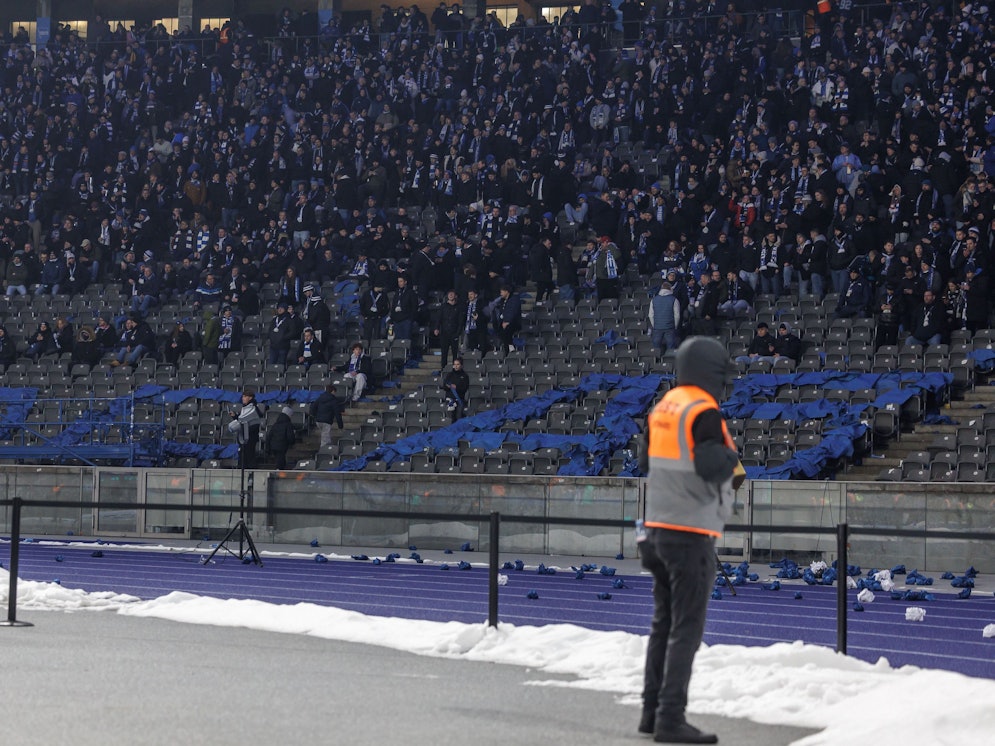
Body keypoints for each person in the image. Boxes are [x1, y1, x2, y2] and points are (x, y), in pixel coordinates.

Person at [638, 336, 743, 744]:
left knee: (663, 624)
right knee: (687, 629)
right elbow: (710, 466)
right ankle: (670, 719)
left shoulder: (664, 407)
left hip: (658, 527)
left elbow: (647, 460)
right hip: (691, 533)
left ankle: (651, 713)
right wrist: (732, 455)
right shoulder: (703, 410)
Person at [229, 390, 264, 469]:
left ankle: (249, 469)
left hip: (250, 436)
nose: (243, 398)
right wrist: (235, 416)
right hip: (245, 435)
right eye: (243, 396)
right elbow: (242, 420)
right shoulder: (245, 408)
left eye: (245, 396)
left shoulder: (252, 408)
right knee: (243, 453)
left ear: (250, 397)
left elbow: (252, 422)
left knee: (249, 453)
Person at [649, 281, 681, 354]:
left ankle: (656, 363)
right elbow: (677, 315)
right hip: (670, 327)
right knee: (671, 348)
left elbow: (650, 315)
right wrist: (675, 326)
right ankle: (669, 363)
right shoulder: (674, 300)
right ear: (670, 289)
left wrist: (655, 325)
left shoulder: (654, 300)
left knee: (656, 349)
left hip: (657, 327)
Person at [310, 384, 345, 449]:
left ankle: (329, 448)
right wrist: (340, 426)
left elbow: (313, 407)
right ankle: (324, 451)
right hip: (326, 421)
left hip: (318, 420)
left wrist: (314, 416)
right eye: (335, 392)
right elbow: (337, 414)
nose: (335, 394)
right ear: (332, 391)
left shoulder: (320, 398)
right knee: (325, 438)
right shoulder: (333, 400)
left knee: (325, 436)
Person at [266, 406, 296, 470]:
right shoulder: (288, 424)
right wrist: (292, 442)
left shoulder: (275, 424)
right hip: (282, 446)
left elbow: (270, 435)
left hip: (273, 445)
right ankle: (279, 472)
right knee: (280, 461)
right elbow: (290, 436)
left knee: (278, 459)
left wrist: (268, 447)